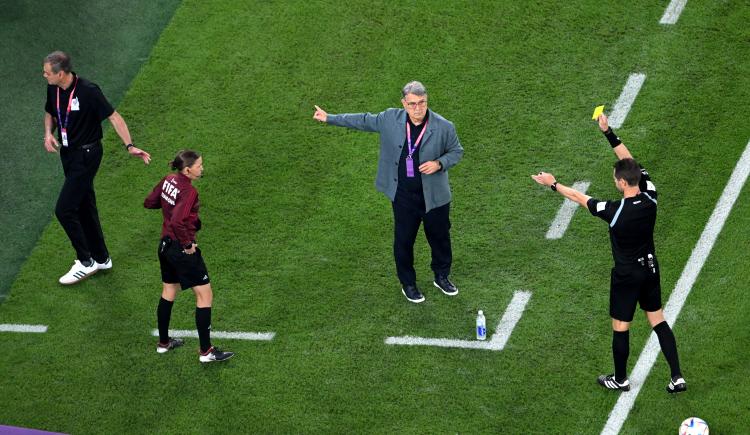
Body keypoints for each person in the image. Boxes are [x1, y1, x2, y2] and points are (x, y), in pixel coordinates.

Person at [531, 114, 686, 394]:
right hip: (650, 268)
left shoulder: (614, 212)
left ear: (623, 183)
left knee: (620, 326)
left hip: (627, 274)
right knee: (658, 319)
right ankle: (677, 376)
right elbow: (630, 161)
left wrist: (552, 183)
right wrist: (609, 133)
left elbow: (579, 197)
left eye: (616, 178)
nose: (615, 181)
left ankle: (620, 378)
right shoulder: (650, 195)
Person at [313, 81, 464, 303]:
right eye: (412, 104)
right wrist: (330, 117)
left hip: (435, 197)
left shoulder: (444, 126)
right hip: (403, 196)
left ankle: (441, 276)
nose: (417, 109)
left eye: (421, 103)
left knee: (440, 239)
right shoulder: (389, 119)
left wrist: (440, 164)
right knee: (403, 240)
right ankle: (408, 284)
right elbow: (363, 120)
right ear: (404, 103)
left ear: (427, 100)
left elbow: (456, 151)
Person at [43, 50, 151, 285]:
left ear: (61, 73)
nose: (44, 76)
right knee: (84, 205)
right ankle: (101, 258)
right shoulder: (53, 88)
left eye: (47, 72)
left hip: (87, 154)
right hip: (68, 154)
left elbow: (114, 117)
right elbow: (50, 111)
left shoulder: (89, 91)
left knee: (64, 209)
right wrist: (47, 134)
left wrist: (130, 146)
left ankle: (85, 261)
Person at [144, 150, 234, 363]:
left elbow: (150, 202)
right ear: (187, 170)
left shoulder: (169, 179)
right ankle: (206, 352)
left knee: (169, 290)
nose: (202, 168)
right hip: (179, 249)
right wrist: (187, 245)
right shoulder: (188, 191)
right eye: (199, 165)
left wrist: (169, 205)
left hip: (164, 246)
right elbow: (177, 222)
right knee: (205, 295)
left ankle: (163, 344)